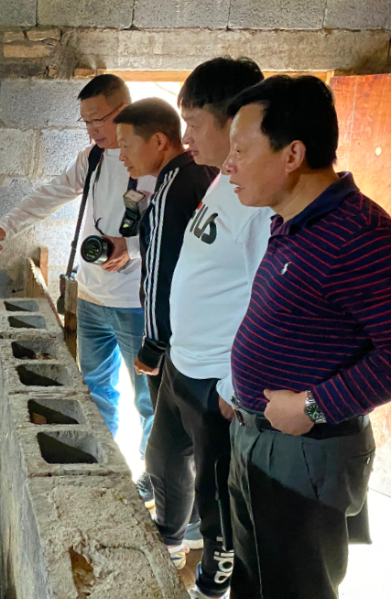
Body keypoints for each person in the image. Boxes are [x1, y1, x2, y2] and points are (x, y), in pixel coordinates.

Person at [225, 75, 391, 599]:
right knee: (254, 578)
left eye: (240, 150)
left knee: (297, 587)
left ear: (292, 153)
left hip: (306, 450)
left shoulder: (361, 235)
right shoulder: (291, 220)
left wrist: (315, 407)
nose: (228, 166)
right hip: (257, 434)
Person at [0, 75, 160, 504]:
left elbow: (174, 230)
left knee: (147, 400)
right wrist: (7, 224)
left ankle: (156, 480)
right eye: (86, 122)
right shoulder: (92, 158)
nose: (92, 130)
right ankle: (103, 468)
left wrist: (131, 248)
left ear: (124, 110)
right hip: (92, 296)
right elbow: (54, 192)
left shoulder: (154, 163)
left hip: (136, 302)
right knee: (95, 390)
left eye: (99, 120)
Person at [143, 57, 268, 599]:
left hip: (218, 380)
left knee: (219, 496)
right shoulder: (222, 181)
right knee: (163, 460)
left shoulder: (262, 203)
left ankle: (211, 585)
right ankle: (166, 545)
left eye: (194, 123)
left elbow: (267, 303)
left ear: (235, 121)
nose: (185, 136)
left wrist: (235, 387)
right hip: (182, 362)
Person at [112, 97, 219, 568]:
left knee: (170, 448)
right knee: (186, 444)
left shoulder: (175, 185)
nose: (121, 156)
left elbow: (160, 272)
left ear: (159, 141)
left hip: (180, 343)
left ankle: (175, 536)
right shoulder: (202, 179)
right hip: (197, 339)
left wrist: (153, 342)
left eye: (126, 145)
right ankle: (190, 529)